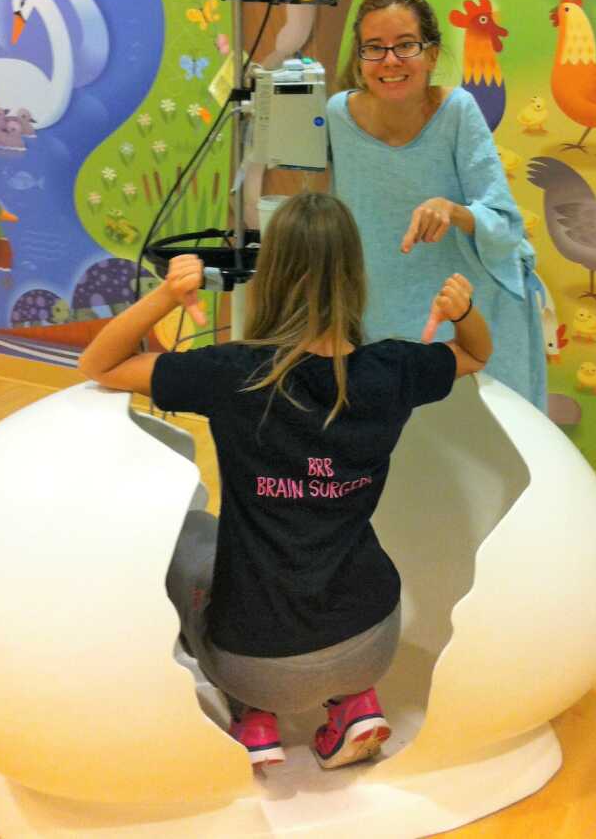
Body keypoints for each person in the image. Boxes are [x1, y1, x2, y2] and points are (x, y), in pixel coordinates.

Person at [79, 192, 491, 770]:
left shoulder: (229, 373)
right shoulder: (396, 369)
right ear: (354, 276)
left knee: (188, 541)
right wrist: (463, 311)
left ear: (268, 275)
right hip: (373, 640)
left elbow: (99, 363)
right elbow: (477, 354)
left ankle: (254, 715)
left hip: (255, 659)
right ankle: (353, 704)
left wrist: (167, 296)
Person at [327, 0, 546, 409]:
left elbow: (504, 225)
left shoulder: (457, 111)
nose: (390, 60)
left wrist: (453, 211)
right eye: (374, 47)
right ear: (360, 58)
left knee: (488, 447)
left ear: (430, 53)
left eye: (405, 45)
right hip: (382, 315)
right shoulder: (338, 116)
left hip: (472, 311)